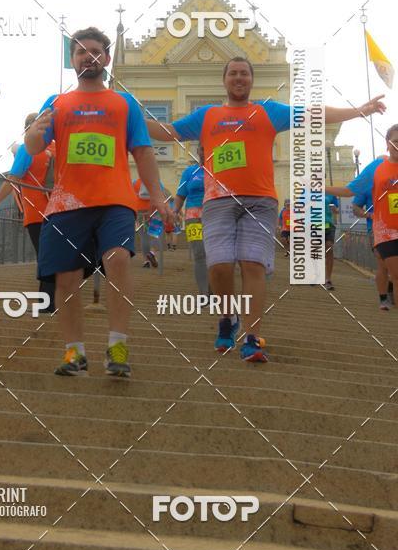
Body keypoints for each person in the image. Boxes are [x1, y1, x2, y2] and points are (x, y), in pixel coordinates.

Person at [147, 55, 386, 362]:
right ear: (225, 80)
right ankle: (227, 318)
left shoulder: (268, 111)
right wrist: (133, 121)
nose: (238, 78)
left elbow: (313, 113)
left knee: (252, 265)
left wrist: (359, 111)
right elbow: (170, 132)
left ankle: (251, 337)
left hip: (260, 202)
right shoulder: (207, 115)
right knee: (218, 266)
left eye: (244, 73)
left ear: (251, 80)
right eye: (232, 73)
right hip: (218, 201)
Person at [25, 26, 170, 378]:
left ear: (105, 58)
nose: (87, 57)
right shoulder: (56, 103)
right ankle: (75, 353)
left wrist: (159, 197)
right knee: (67, 277)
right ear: (73, 60)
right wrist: (31, 134)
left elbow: (143, 151)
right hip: (66, 203)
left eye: (95, 51)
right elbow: (33, 148)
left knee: (118, 259)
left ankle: (117, 345)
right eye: (80, 52)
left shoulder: (124, 103)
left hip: (115, 200)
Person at [0, 113, 56, 314]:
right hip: (60, 210)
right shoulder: (57, 148)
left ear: (28, 128)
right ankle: (51, 300)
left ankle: (48, 303)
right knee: (53, 254)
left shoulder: (28, 150)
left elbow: (13, 179)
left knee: (45, 256)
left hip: (36, 212)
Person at [328, 123, 398, 305]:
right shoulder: (377, 167)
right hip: (384, 231)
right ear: (387, 143)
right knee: (387, 268)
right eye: (395, 141)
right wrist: (319, 187)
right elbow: (349, 191)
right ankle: (384, 298)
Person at [173, 152, 208, 293]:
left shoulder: (221, 170)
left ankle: (216, 288)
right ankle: (204, 292)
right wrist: (174, 211)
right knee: (199, 254)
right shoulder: (189, 172)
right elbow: (180, 195)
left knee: (215, 255)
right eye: (202, 148)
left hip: (216, 216)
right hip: (193, 217)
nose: (204, 152)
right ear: (199, 151)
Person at [352, 189, 392, 310]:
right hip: (377, 229)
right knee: (383, 263)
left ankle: (390, 286)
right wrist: (370, 215)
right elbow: (355, 208)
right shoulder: (369, 179)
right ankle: (384, 298)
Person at [132, 177, 160, 268]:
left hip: (140, 211)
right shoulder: (156, 181)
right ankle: (152, 252)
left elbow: (132, 198)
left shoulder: (135, 183)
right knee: (155, 234)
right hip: (154, 211)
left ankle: (146, 261)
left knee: (144, 237)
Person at [323, 193, 339, 291]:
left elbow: (336, 209)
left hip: (328, 224)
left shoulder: (331, 193)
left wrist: (334, 209)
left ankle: (328, 279)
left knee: (329, 248)